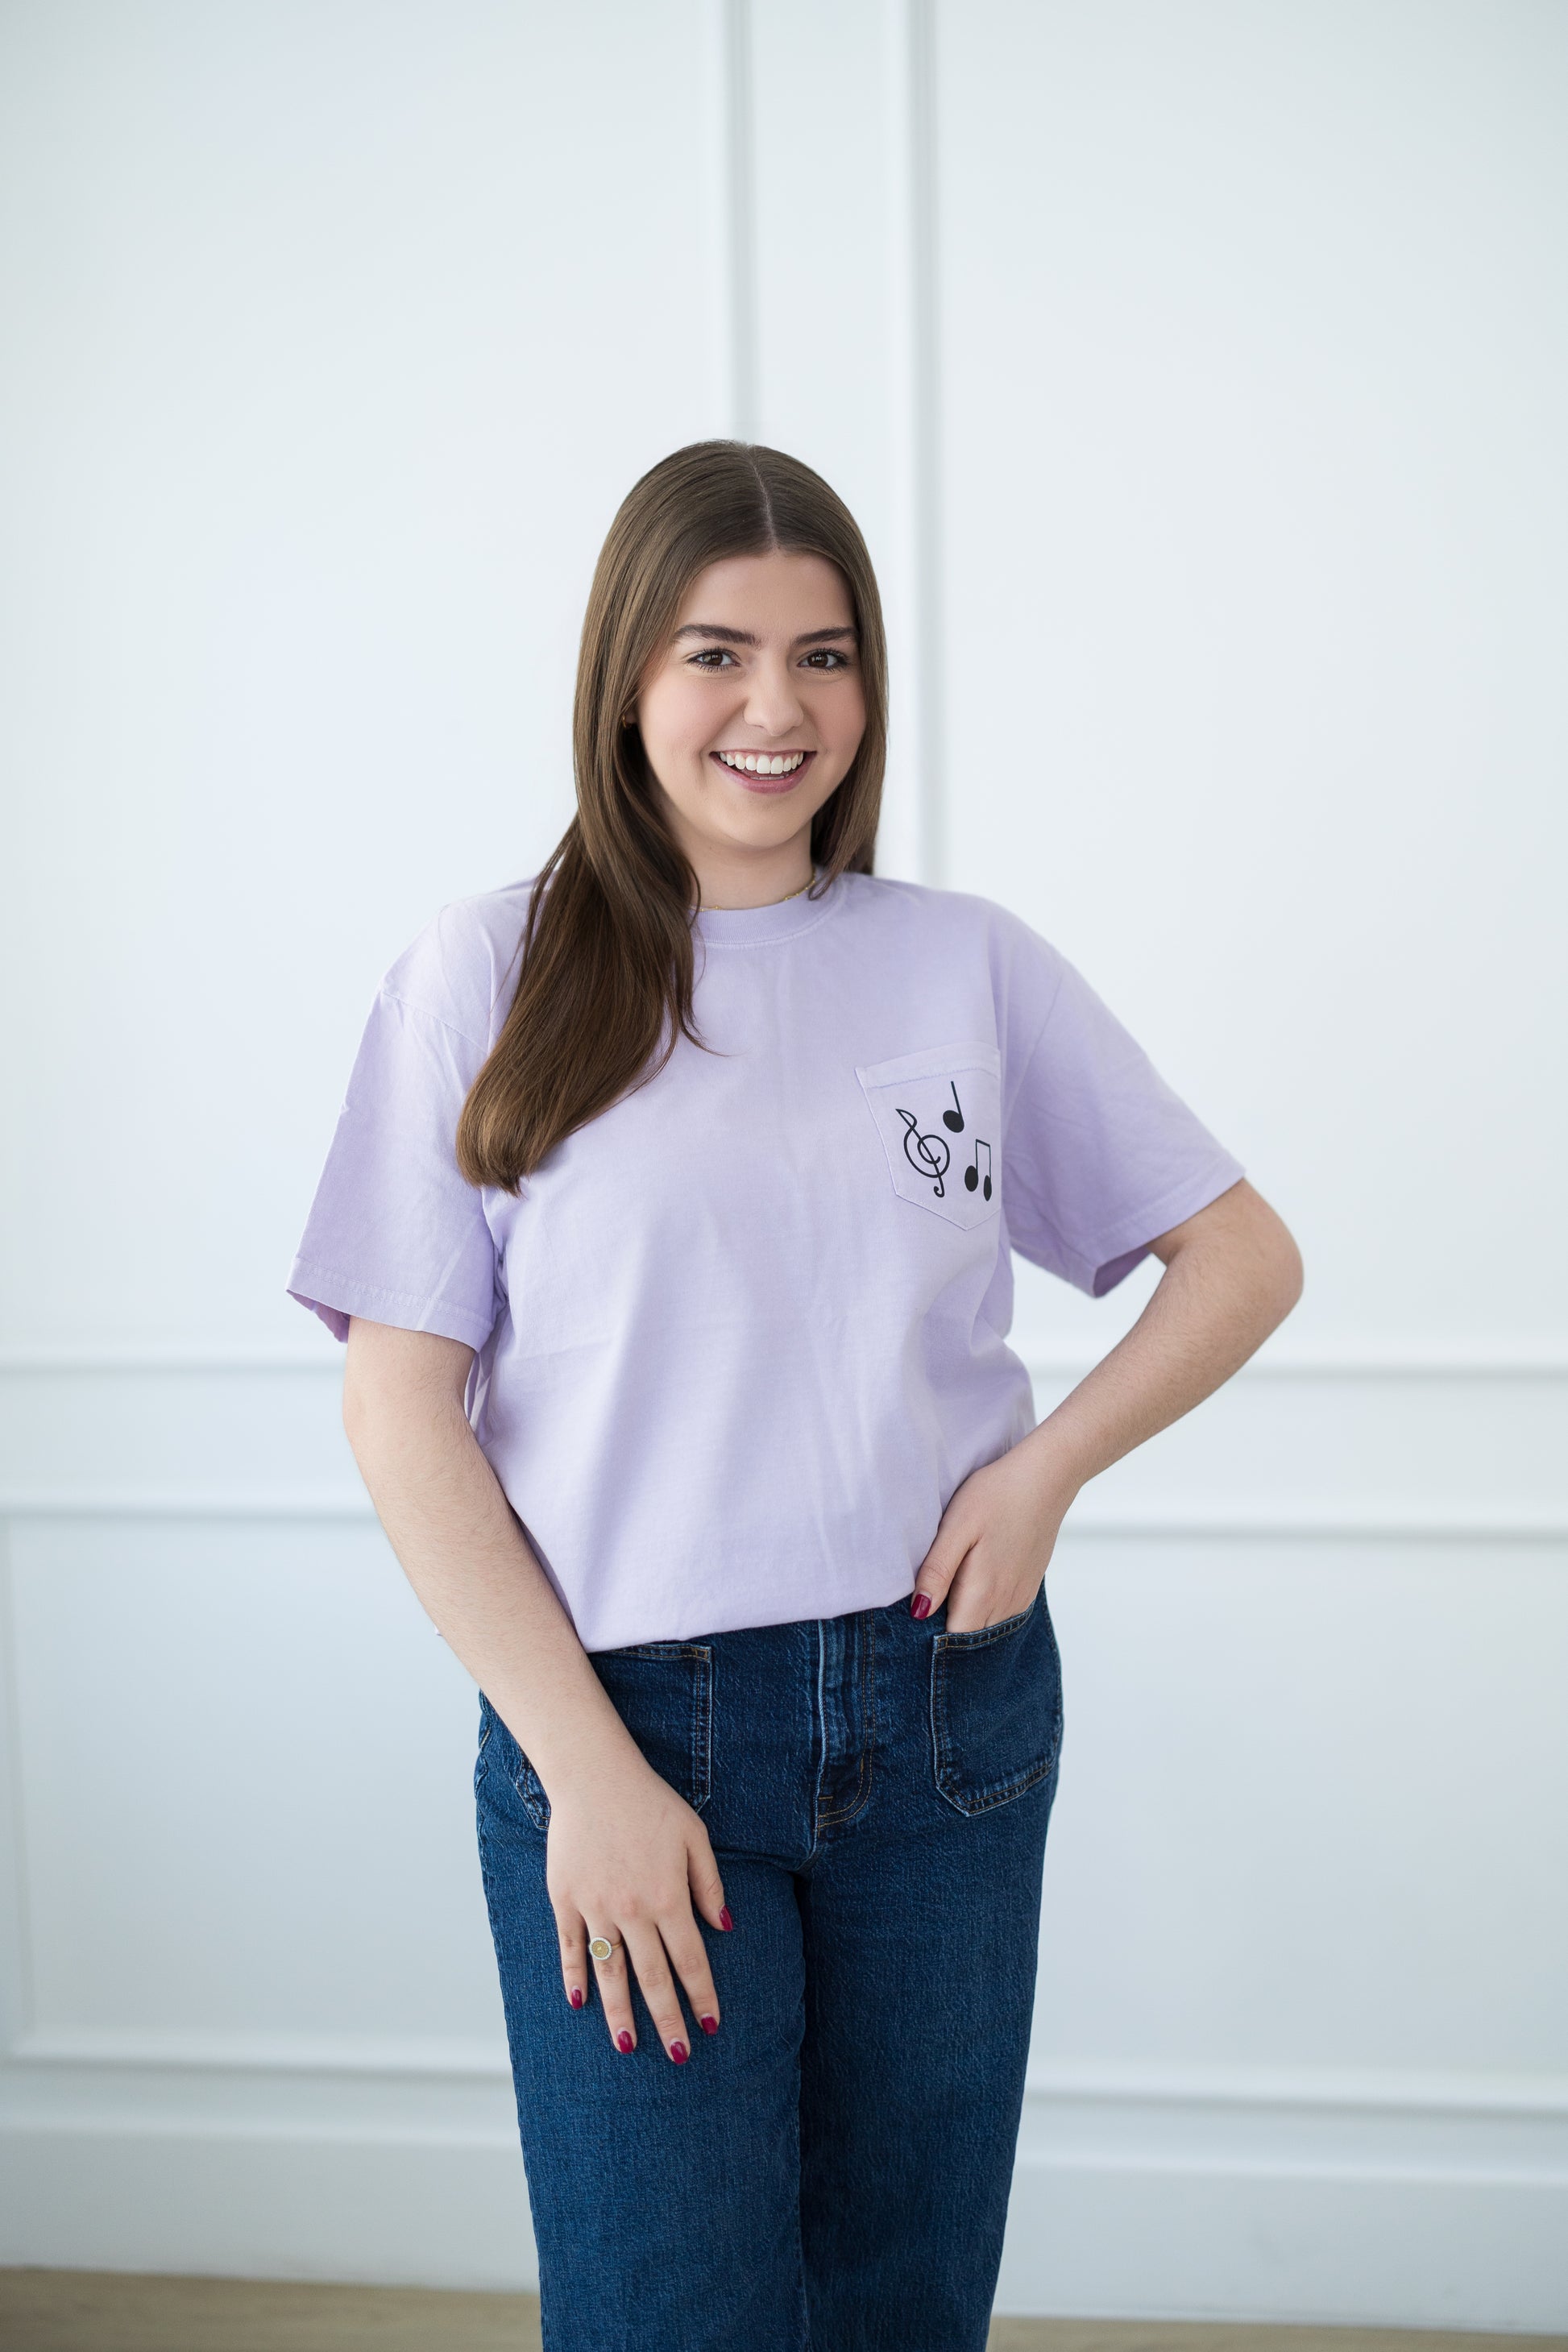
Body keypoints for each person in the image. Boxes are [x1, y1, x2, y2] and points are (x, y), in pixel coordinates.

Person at [287, 440, 1302, 2351]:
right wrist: (586, 1771)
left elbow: (1242, 1254)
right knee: (665, 2308)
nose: (777, 707)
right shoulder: (485, 972)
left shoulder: (961, 962)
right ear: (625, 677)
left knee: (900, 2305)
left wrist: (1045, 1470)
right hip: (627, 1723)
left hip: (945, 1720)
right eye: (717, 653)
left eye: (822, 655)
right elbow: (397, 1408)